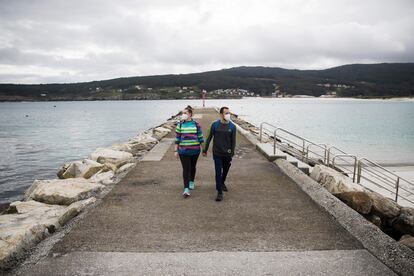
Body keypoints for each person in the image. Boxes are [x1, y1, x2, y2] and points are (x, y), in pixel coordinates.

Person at [202, 107, 236, 201]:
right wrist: (204, 149)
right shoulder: (215, 125)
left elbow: (233, 142)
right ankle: (219, 192)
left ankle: (222, 182)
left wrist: (232, 153)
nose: (228, 115)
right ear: (221, 114)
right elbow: (209, 138)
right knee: (218, 172)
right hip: (217, 153)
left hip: (227, 153)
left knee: (225, 170)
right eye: (226, 113)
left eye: (229, 113)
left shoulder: (233, 127)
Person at [175, 105, 204, 198]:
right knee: (186, 169)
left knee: (192, 167)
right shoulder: (180, 124)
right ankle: (186, 189)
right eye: (182, 113)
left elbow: (200, 137)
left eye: (185, 113)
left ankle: (191, 181)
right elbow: (177, 138)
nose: (183, 114)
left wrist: (204, 149)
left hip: (195, 150)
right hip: (183, 151)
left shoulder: (196, 124)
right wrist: (175, 150)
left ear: (190, 114)